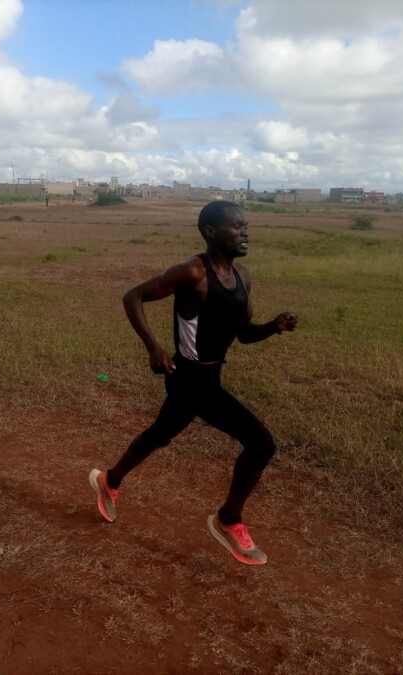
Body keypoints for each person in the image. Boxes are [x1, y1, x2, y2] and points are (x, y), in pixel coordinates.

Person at [89, 200, 298, 565]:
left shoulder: (243, 276)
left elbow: (244, 335)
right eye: (236, 227)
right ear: (211, 232)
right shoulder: (192, 273)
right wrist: (154, 348)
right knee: (261, 444)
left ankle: (109, 480)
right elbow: (133, 297)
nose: (245, 232)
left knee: (160, 434)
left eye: (246, 226)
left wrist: (273, 327)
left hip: (209, 375)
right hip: (188, 376)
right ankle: (228, 520)